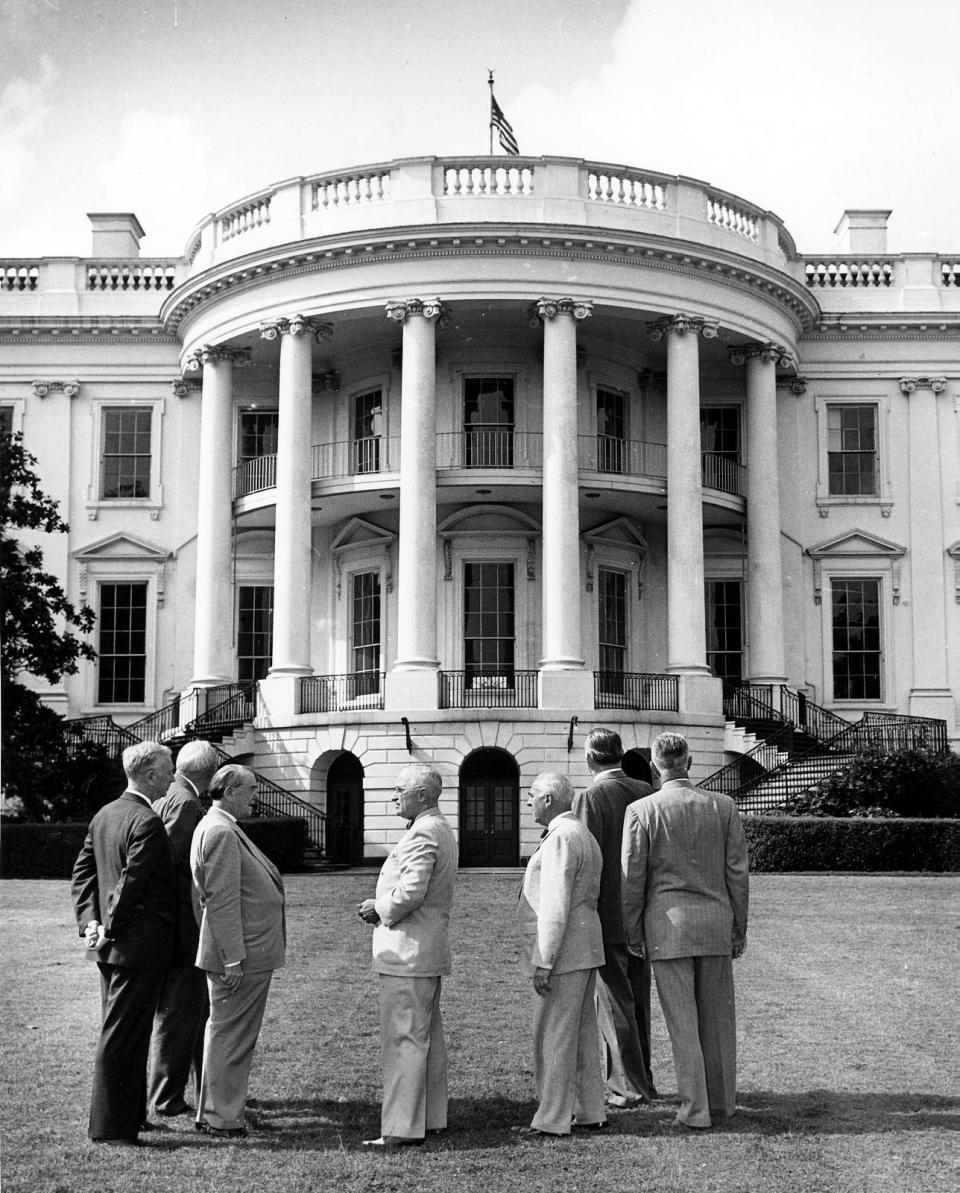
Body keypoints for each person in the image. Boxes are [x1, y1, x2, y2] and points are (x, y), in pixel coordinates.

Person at [621, 732, 749, 1130]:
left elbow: (632, 878)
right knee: (717, 1020)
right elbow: (738, 873)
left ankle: (695, 1109)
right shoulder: (723, 806)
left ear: (657, 767)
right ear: (689, 764)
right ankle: (722, 1103)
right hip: (714, 924)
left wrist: (633, 930)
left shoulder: (642, 810)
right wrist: (738, 926)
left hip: (666, 928)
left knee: (683, 1024)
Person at [71, 741, 177, 1147]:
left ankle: (131, 1118)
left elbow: (84, 875)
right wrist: (107, 927)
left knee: (127, 1034)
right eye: (167, 769)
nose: (171, 776)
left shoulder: (105, 814)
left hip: (112, 946)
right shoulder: (145, 821)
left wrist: (91, 925)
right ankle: (112, 1130)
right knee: (122, 1037)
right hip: (136, 947)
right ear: (149, 775)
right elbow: (131, 884)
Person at [358, 763, 457, 1150]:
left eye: (399, 789)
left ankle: (400, 1127)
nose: (394, 796)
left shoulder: (423, 833)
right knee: (424, 1037)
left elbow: (411, 891)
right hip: (422, 951)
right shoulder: (436, 827)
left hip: (408, 953)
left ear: (421, 794)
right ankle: (430, 1117)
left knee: (403, 1040)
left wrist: (377, 907)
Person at [190, 764, 286, 1140]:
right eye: (250, 789)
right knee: (232, 1037)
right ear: (229, 791)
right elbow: (222, 900)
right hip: (240, 956)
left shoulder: (221, 826)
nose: (255, 796)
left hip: (243, 952)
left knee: (226, 1034)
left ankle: (214, 1113)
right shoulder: (220, 831)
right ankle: (222, 1119)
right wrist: (232, 956)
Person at [516, 772, 606, 1138]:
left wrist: (545, 959)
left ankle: (552, 1117)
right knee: (582, 1036)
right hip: (585, 948)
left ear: (549, 799)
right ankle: (590, 1110)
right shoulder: (581, 833)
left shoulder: (560, 838)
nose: (528, 802)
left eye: (533, 795)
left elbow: (554, 905)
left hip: (565, 950)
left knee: (552, 1035)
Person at [573, 728, 656, 1109]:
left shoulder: (592, 796)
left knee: (614, 1002)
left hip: (607, 914)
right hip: (643, 913)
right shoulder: (645, 790)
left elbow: (586, 857)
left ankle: (628, 1086)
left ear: (591, 758)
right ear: (620, 754)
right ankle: (644, 1081)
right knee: (637, 1000)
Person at [147, 739, 220, 1119]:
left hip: (174, 927)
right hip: (182, 929)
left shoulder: (169, 796)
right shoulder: (187, 803)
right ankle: (167, 1096)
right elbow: (169, 865)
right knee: (182, 1013)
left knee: (191, 1011)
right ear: (207, 773)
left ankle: (200, 1085)